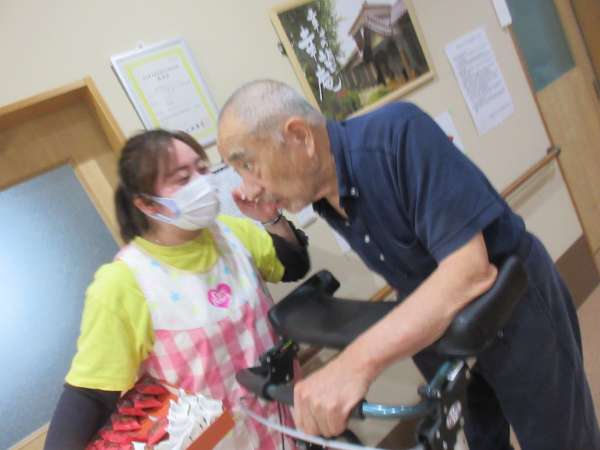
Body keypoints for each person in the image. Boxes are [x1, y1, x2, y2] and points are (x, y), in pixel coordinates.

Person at [216, 79, 600, 450]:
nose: (248, 186)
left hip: (513, 307)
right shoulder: (322, 191)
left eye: (248, 165)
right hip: (443, 329)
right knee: (483, 439)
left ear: (300, 136)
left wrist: (355, 364)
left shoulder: (398, 135)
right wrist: (271, 213)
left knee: (559, 439)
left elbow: (469, 272)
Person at [44, 129, 310, 450]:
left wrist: (271, 217)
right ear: (147, 204)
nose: (202, 183)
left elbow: (294, 265)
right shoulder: (124, 282)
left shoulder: (230, 233)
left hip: (289, 425)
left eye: (202, 168)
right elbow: (90, 396)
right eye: (183, 178)